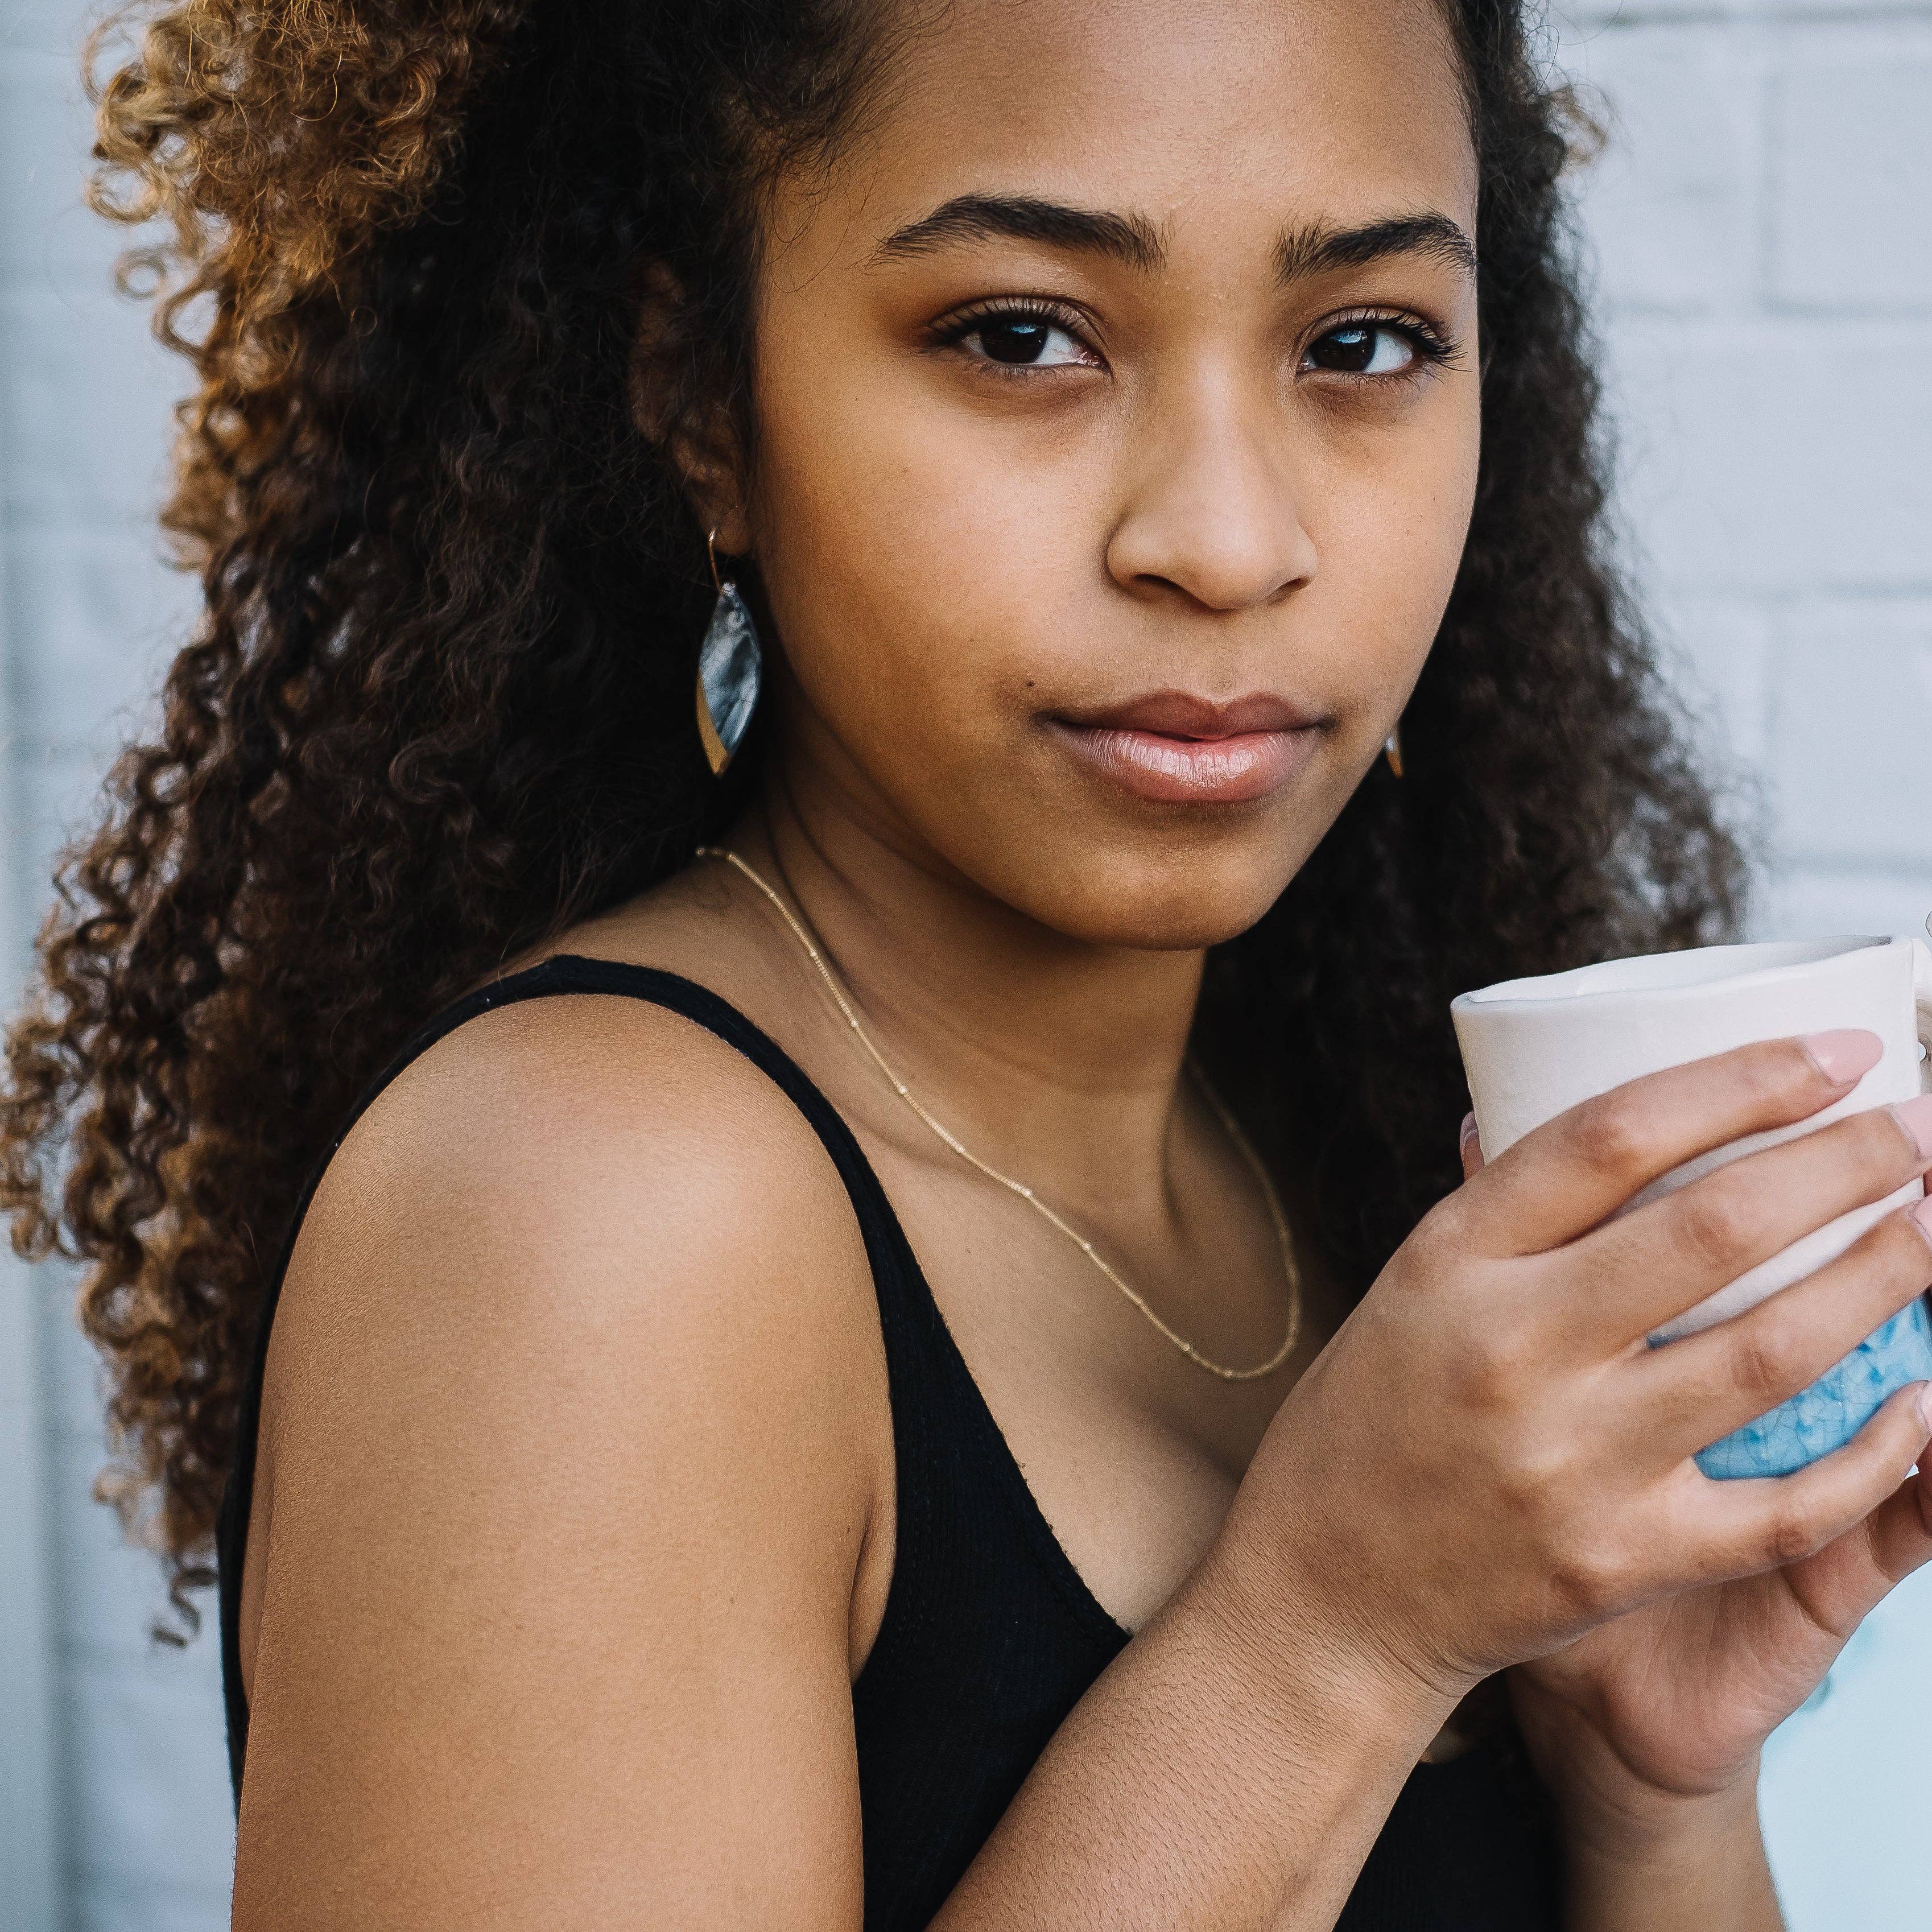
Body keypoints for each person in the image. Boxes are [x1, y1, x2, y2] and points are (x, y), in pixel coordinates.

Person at [7, 1, 1931, 1926]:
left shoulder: (1332, 1152)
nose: (1228, 537)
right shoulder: (581, 1208)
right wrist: (1326, 1637)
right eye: (1021, 335)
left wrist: (1651, 1787)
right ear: (699, 396)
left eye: (1361, 343)